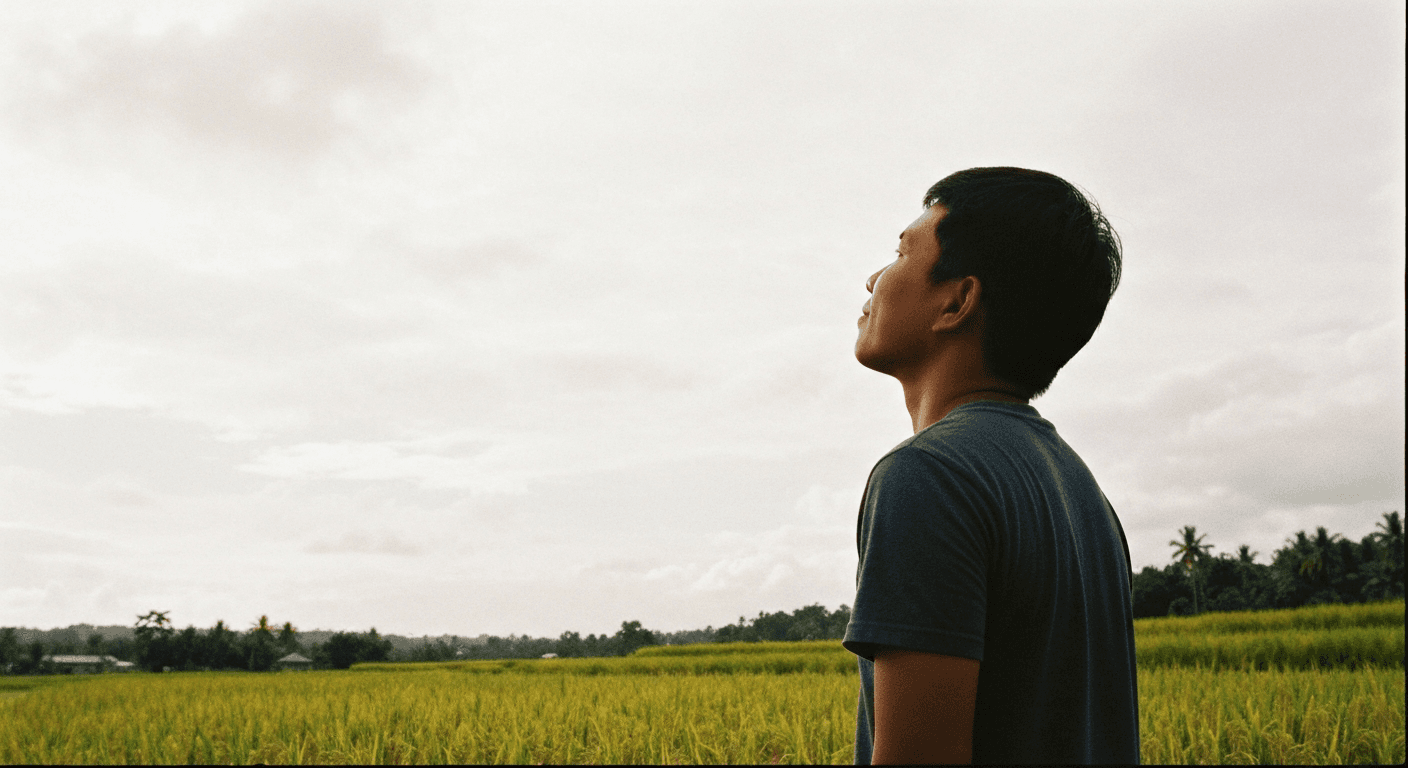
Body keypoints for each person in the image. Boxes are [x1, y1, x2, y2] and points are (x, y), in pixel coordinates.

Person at [842, 167, 1139, 764]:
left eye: (902, 252)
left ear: (958, 300)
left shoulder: (930, 478)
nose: (873, 278)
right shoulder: (1083, 492)